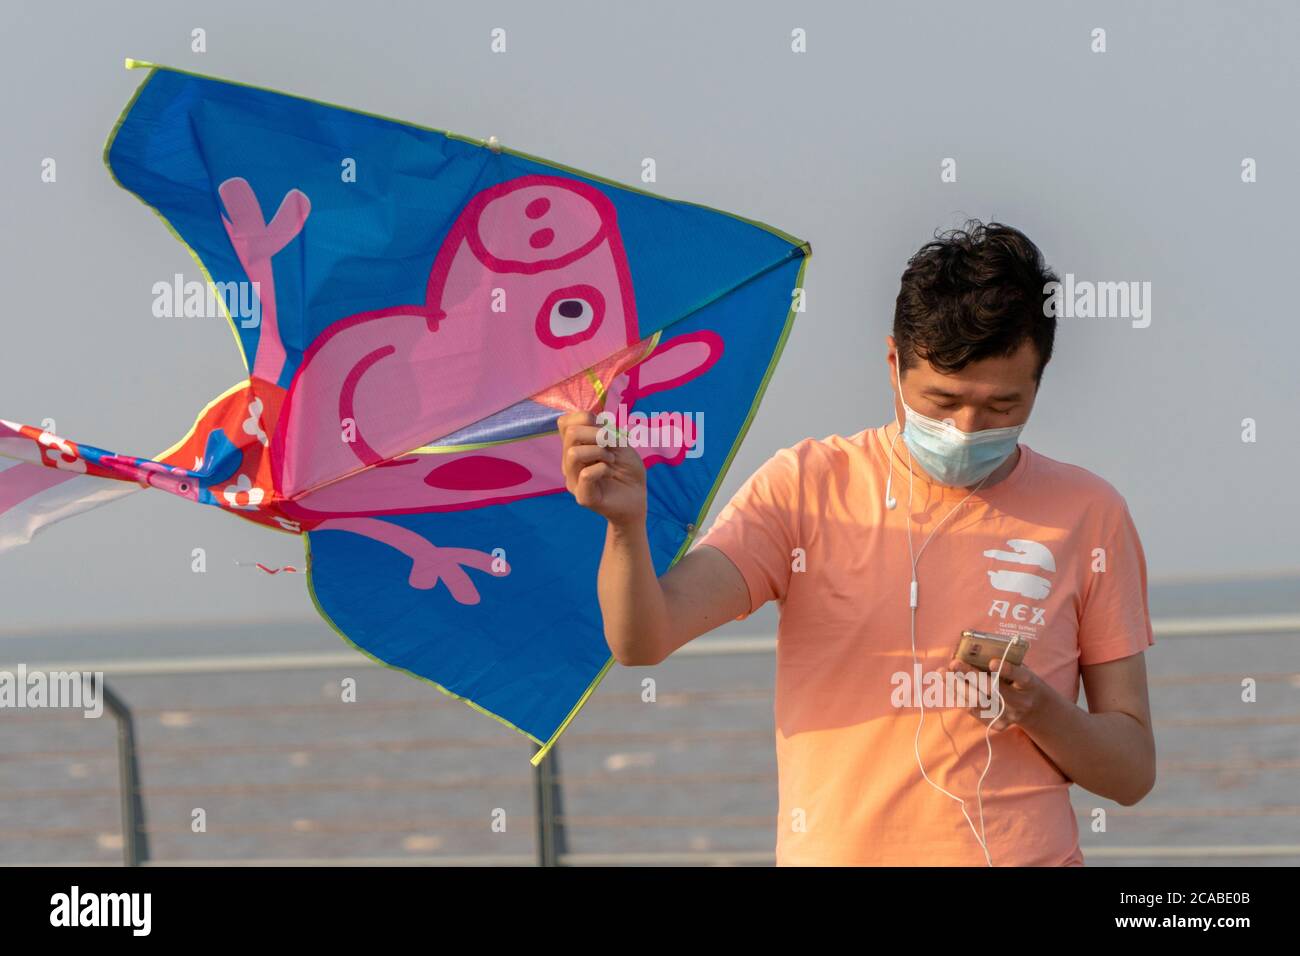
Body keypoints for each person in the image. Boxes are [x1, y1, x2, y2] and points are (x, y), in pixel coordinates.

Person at [557, 221, 1156, 866]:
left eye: (1002, 408)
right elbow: (642, 640)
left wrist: (1037, 706)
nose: (965, 429)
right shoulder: (805, 488)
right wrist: (625, 528)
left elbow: (1130, 773)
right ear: (895, 364)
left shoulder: (1089, 514)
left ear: (1040, 379)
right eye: (941, 401)